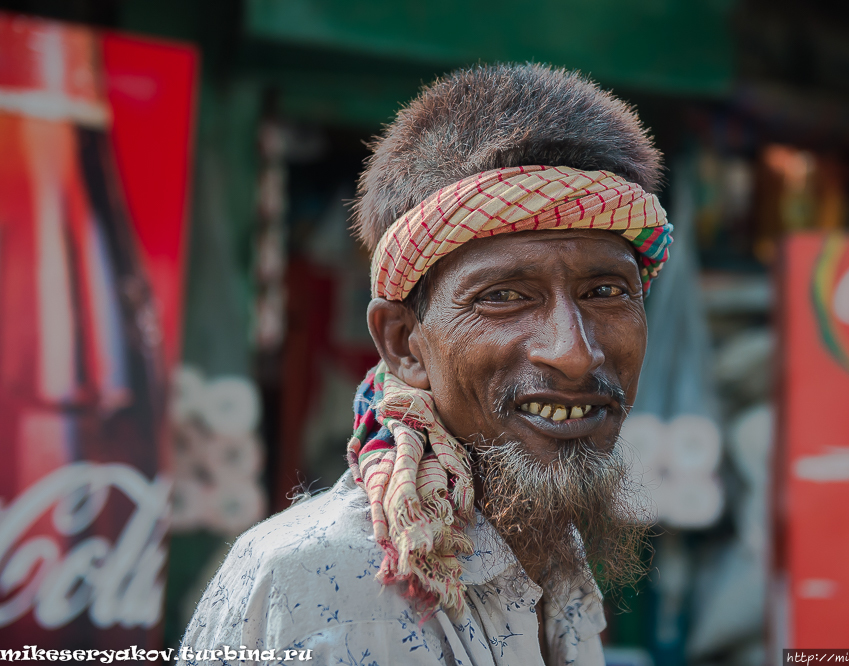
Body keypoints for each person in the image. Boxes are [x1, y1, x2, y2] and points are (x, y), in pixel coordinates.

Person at [179, 62, 672, 666]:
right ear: (405, 344)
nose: (575, 353)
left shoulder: (557, 563)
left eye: (606, 292)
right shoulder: (311, 588)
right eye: (504, 296)